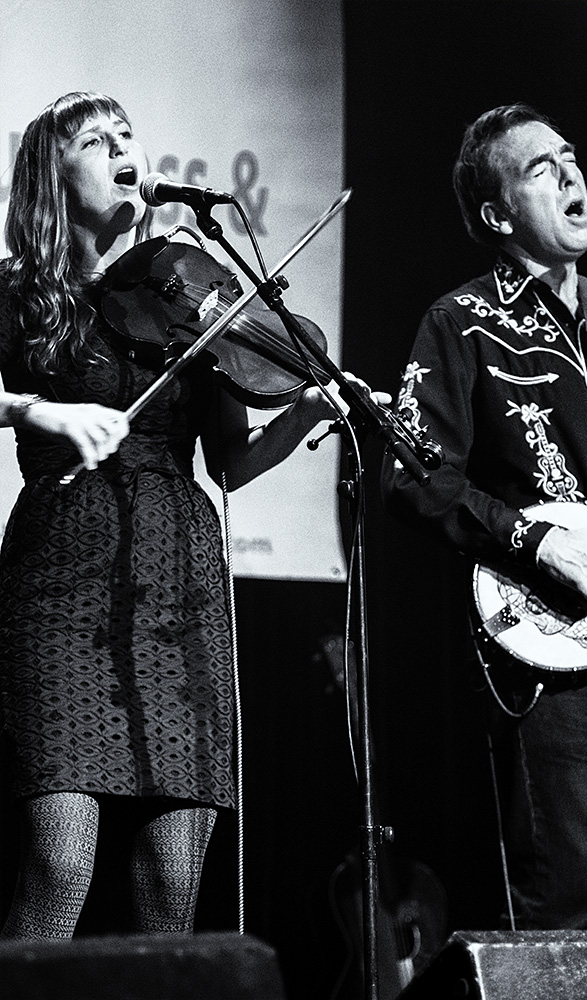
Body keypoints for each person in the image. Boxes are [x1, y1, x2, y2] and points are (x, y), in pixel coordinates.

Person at [0, 91, 375, 941]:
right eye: (96, 141)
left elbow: (233, 464)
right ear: (52, 180)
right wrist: (33, 411)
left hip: (179, 583)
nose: (122, 149)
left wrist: (309, 411)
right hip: (60, 583)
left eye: (127, 135)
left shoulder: (184, 295)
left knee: (173, 883)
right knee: (60, 864)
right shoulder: (22, 297)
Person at [382, 103, 587, 930]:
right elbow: (413, 473)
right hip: (555, 656)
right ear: (497, 214)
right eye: (542, 167)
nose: (572, 173)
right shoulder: (461, 321)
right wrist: (535, 540)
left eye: (571, 156)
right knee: (565, 902)